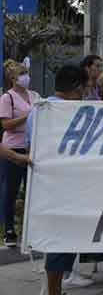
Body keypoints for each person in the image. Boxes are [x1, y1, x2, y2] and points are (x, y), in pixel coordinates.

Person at [27, 65, 89, 295]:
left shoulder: (39, 110)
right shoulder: (58, 112)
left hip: (50, 187)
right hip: (60, 189)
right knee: (59, 244)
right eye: (84, 88)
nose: (85, 93)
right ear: (76, 88)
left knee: (62, 243)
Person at [0, 60, 40, 247]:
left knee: (32, 192)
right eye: (21, 73)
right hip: (13, 148)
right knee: (11, 191)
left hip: (32, 147)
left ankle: (31, 230)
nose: (26, 77)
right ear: (12, 78)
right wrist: (28, 115)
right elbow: (6, 125)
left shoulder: (35, 95)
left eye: (26, 72)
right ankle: (9, 230)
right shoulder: (7, 98)